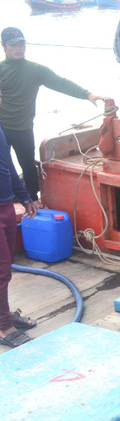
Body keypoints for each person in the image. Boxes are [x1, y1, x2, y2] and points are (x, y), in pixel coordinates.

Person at [0, 27, 108, 204]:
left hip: (23, 127)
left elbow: (60, 83)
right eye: (13, 45)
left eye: (21, 44)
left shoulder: (35, 70)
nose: (19, 48)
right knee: (3, 166)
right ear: (4, 46)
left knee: (27, 164)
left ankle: (33, 200)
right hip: (2, 127)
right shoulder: (1, 69)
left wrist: (87, 94)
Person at [0, 86, 38, 348]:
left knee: (6, 265)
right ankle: (4, 325)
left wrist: (24, 196)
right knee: (1, 269)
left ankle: (2, 313)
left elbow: (7, 164)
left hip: (5, 204)